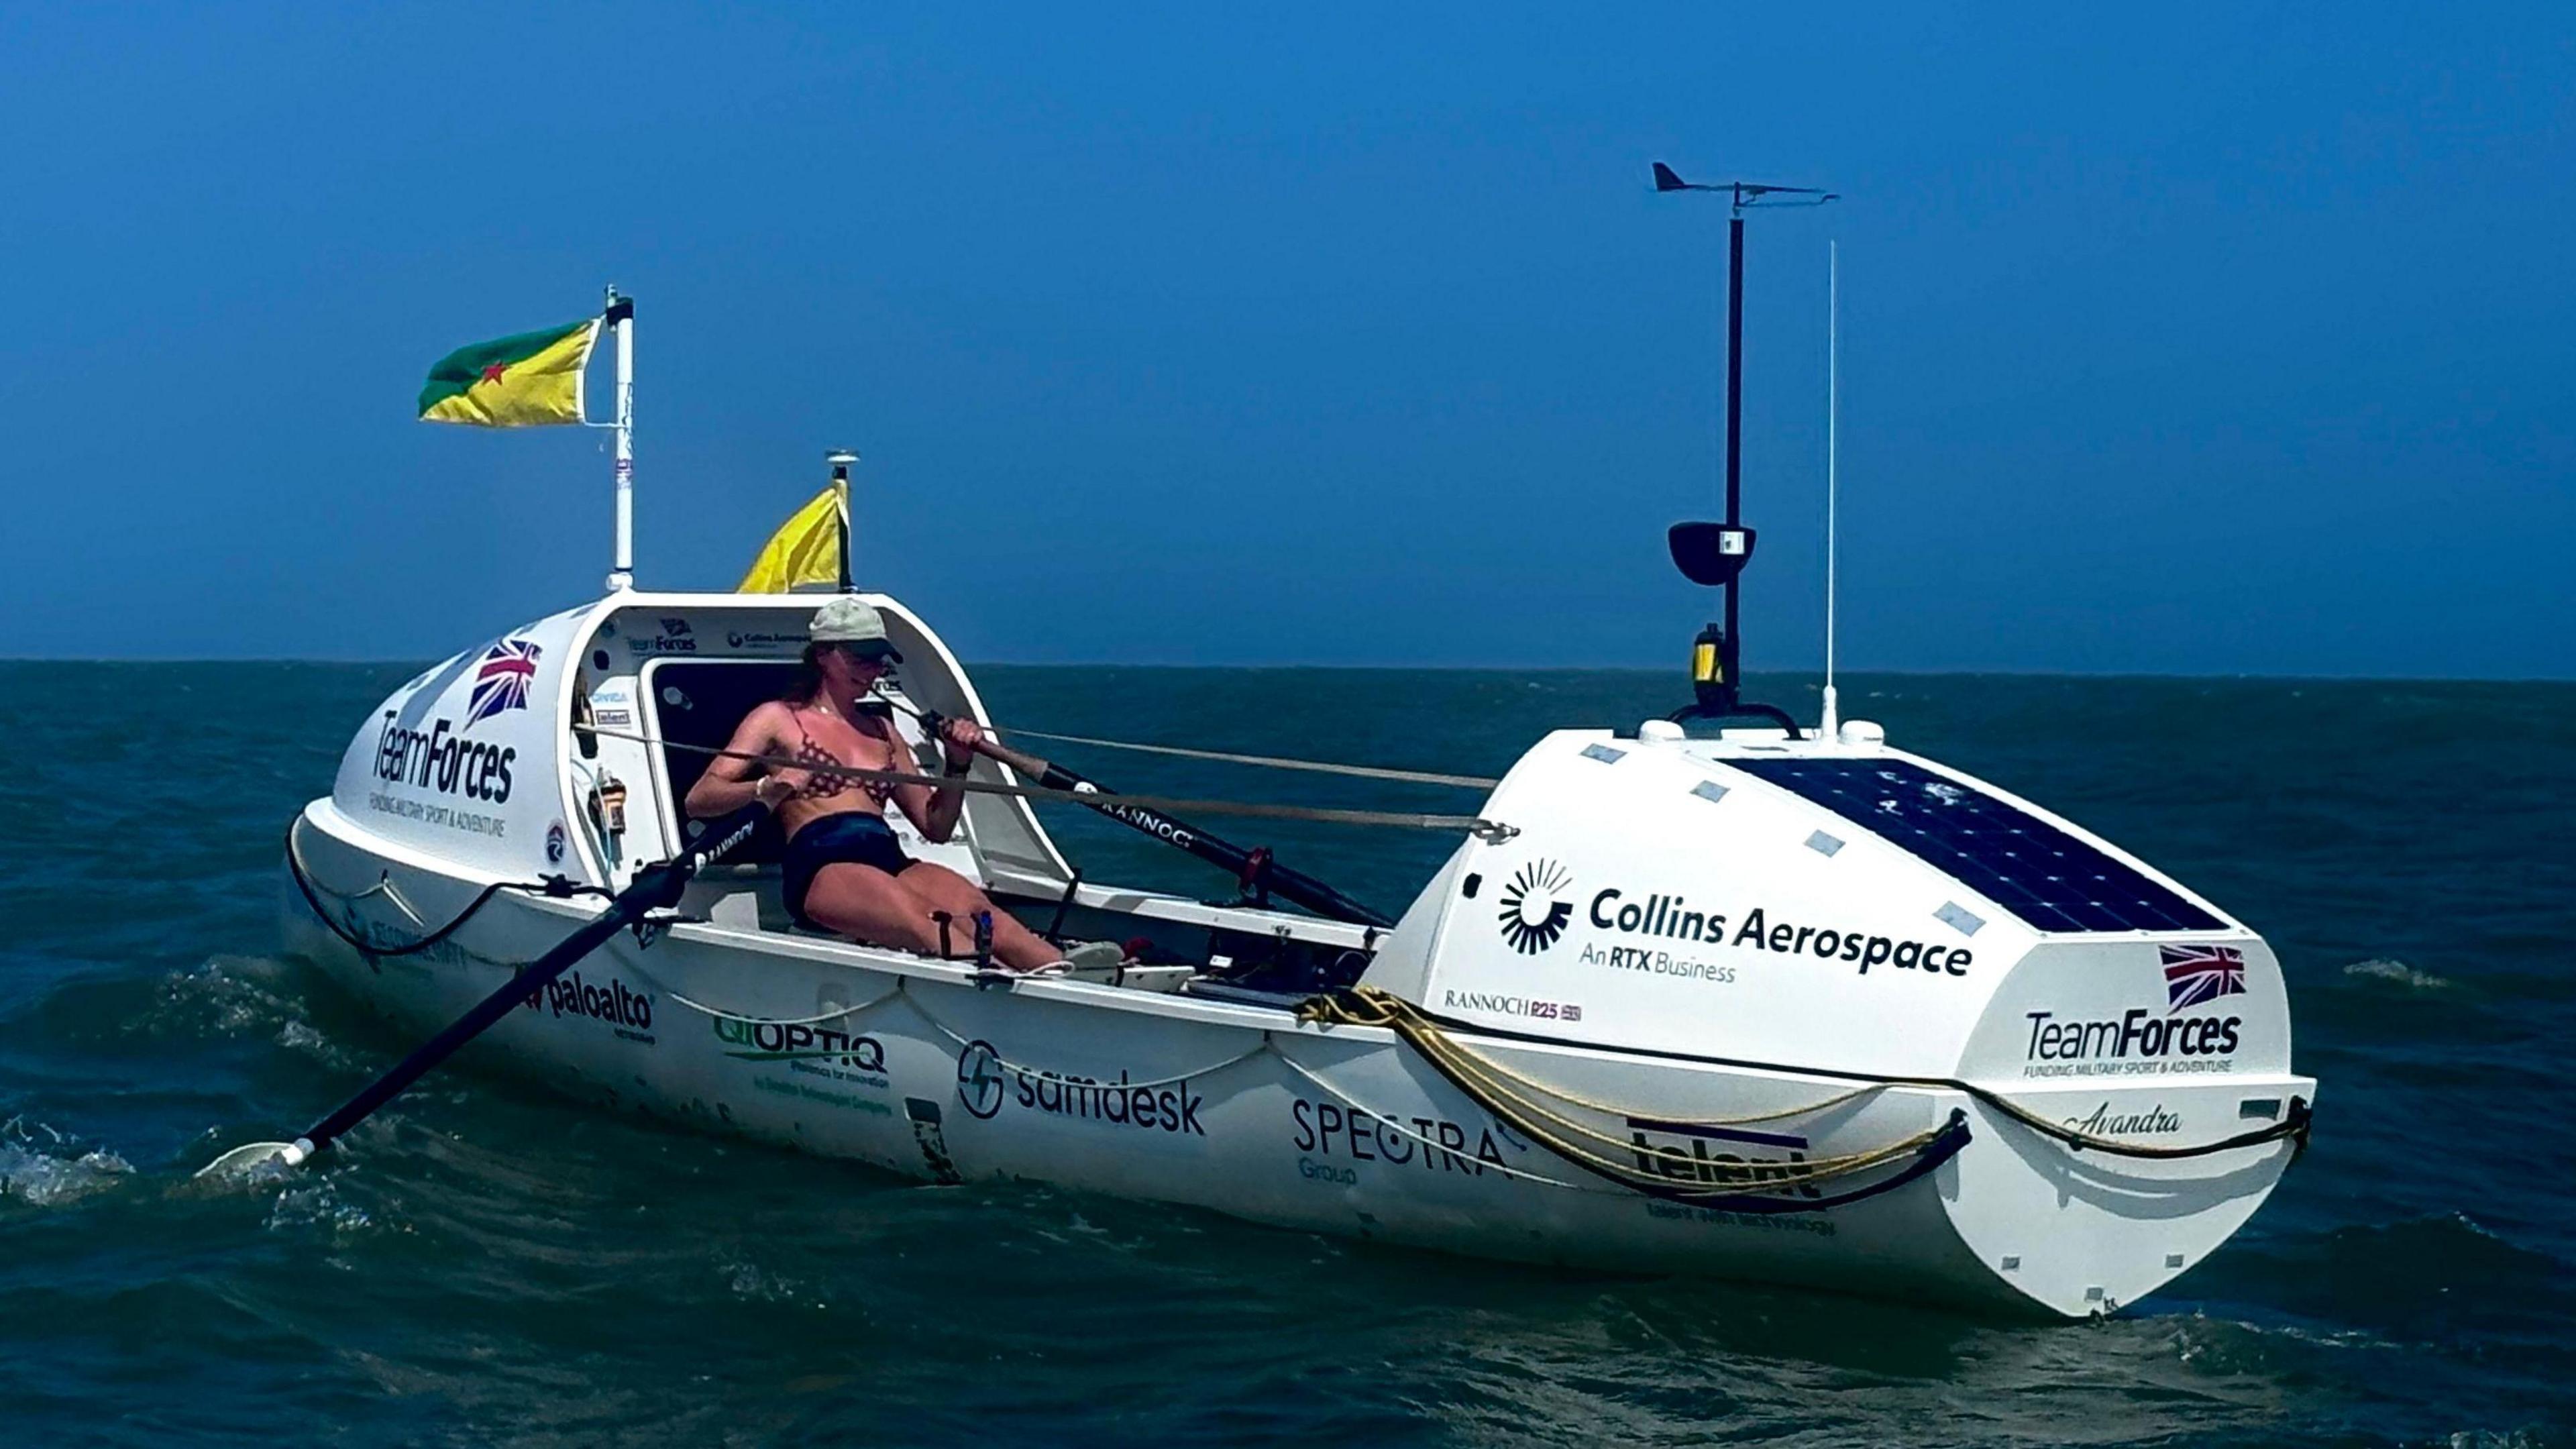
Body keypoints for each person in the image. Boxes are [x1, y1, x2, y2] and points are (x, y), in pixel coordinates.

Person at [684, 596, 1067, 973]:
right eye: (860, 659)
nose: (871, 671)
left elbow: (936, 827)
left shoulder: (884, 731)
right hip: (823, 865)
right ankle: (1003, 989)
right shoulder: (778, 718)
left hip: (889, 859)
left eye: (878, 661)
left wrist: (958, 764)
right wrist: (767, 787)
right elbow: (700, 799)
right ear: (823, 655)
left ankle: (1070, 977)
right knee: (930, 924)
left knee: (988, 918)